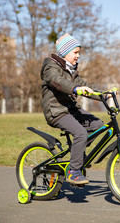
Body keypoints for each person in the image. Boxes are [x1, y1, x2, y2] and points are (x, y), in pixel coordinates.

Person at [40, 33, 104, 185]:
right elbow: (57, 81)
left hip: (70, 109)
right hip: (56, 111)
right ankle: (74, 172)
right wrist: (75, 88)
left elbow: (85, 86)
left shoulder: (71, 70)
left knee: (98, 126)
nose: (78, 56)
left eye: (79, 53)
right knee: (81, 133)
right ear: (64, 52)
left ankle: (77, 152)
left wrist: (104, 95)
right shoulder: (50, 67)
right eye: (75, 53)